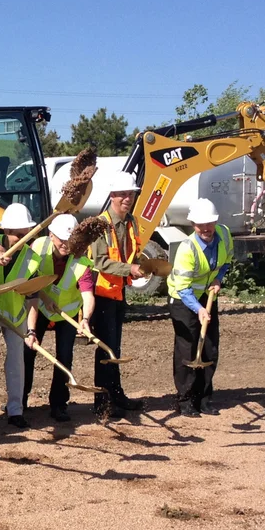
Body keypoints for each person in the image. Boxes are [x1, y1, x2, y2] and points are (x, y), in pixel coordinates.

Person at [22, 213, 95, 422]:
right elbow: (31, 279)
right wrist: (44, 295)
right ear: (51, 235)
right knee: (29, 350)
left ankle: (59, 404)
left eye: (70, 241)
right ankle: (21, 400)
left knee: (64, 356)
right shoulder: (38, 247)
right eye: (62, 240)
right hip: (40, 307)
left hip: (68, 312)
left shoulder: (81, 259)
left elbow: (88, 295)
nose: (66, 245)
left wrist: (86, 319)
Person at [88, 172, 147, 418]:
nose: (127, 198)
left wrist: (143, 265)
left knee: (114, 348)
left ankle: (115, 394)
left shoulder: (131, 222)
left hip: (118, 293)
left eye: (130, 194)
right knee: (105, 350)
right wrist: (129, 269)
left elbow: (131, 253)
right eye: (123, 194)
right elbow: (101, 262)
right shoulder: (101, 224)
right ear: (112, 196)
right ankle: (102, 402)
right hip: (102, 295)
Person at [168, 198, 233, 417]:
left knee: (210, 347)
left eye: (209, 223)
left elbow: (226, 261)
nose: (205, 228)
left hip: (207, 295)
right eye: (199, 224)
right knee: (187, 349)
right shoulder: (187, 249)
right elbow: (183, 288)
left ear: (216, 221)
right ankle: (185, 401)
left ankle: (204, 399)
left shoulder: (224, 234)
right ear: (193, 225)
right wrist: (199, 309)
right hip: (183, 300)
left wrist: (219, 279)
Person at [0, 203, 37, 429]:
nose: (22, 239)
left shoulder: (32, 258)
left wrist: (31, 329)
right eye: (17, 234)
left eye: (25, 234)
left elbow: (33, 297)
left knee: (16, 362)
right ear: (5, 232)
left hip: (16, 316)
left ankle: (16, 410)